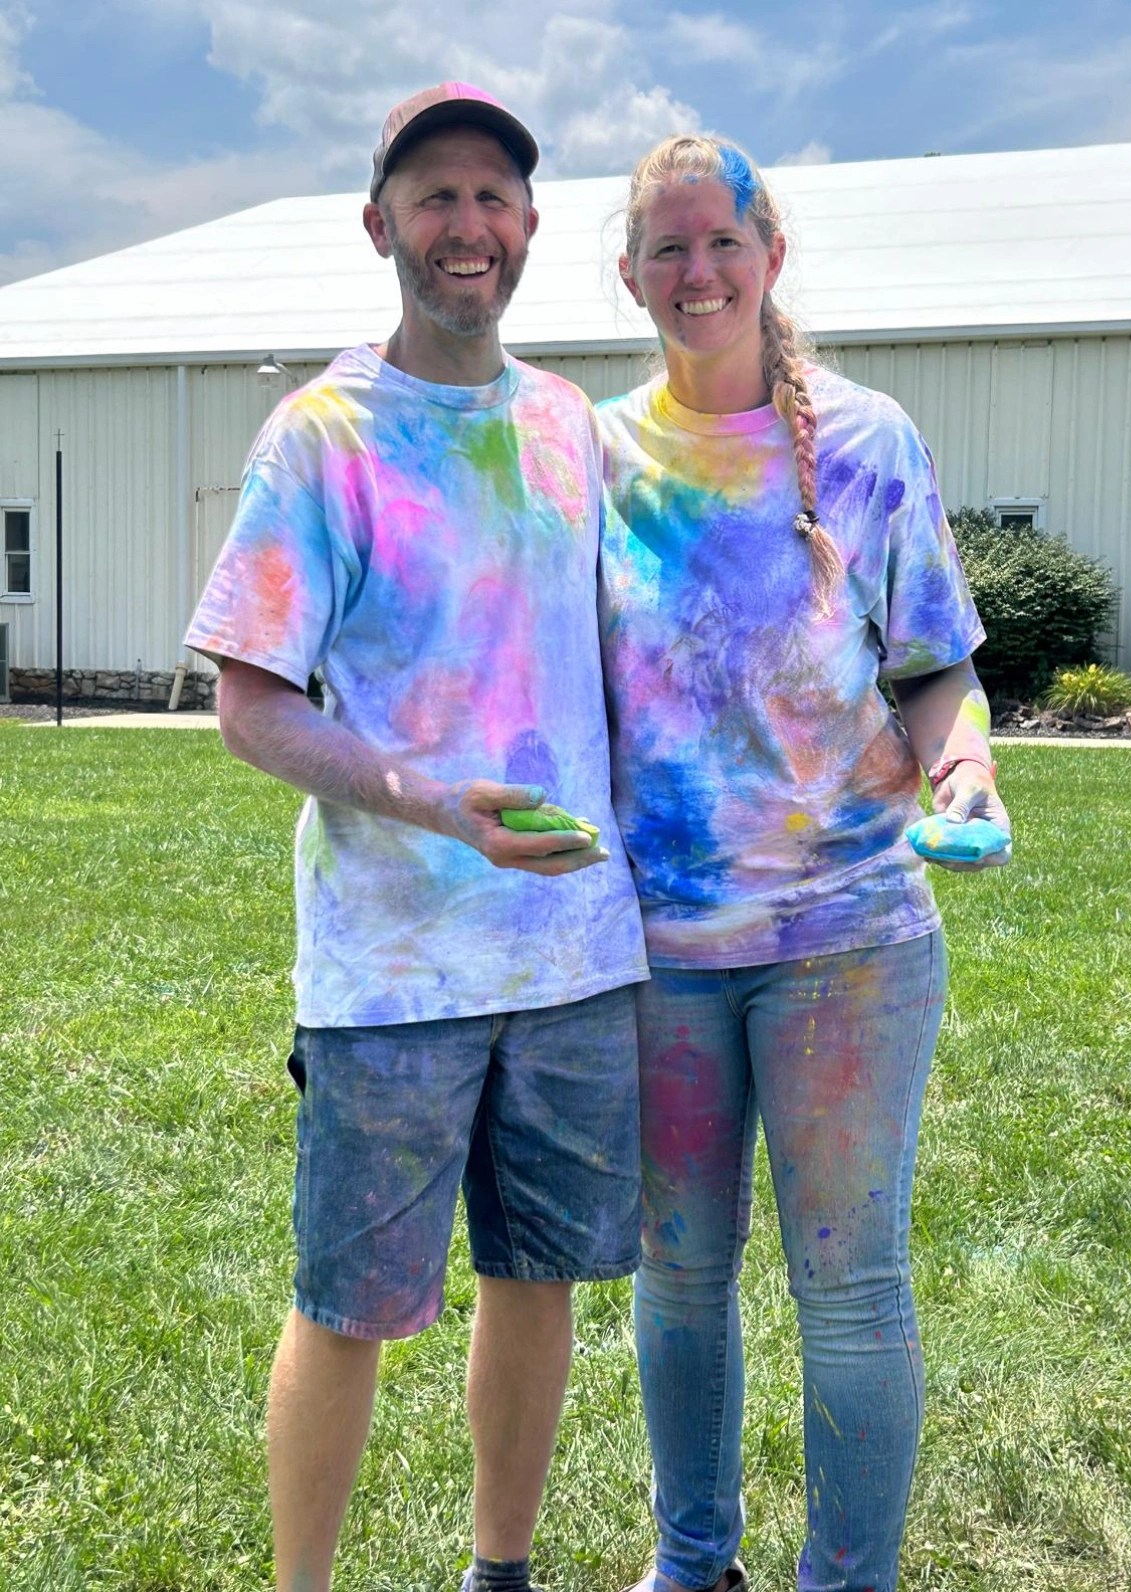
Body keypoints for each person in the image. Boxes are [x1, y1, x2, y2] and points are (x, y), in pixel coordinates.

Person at [185, 83, 648, 1592]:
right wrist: (428, 804)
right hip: (391, 973)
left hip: (573, 953)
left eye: (494, 198)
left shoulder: (571, 423)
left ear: (529, 228)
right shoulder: (320, 435)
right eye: (436, 198)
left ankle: (496, 1573)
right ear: (380, 225)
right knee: (347, 1307)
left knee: (538, 1281)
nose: (469, 227)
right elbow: (249, 703)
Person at [595, 135, 1012, 1592]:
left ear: (769, 256)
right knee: (679, 1279)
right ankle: (690, 1560)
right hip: (656, 951)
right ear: (630, 273)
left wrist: (961, 764)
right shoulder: (592, 455)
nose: (694, 270)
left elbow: (935, 669)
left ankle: (847, 1578)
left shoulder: (863, 440)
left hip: (847, 936)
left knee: (848, 1291)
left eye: (721, 241)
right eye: (666, 247)